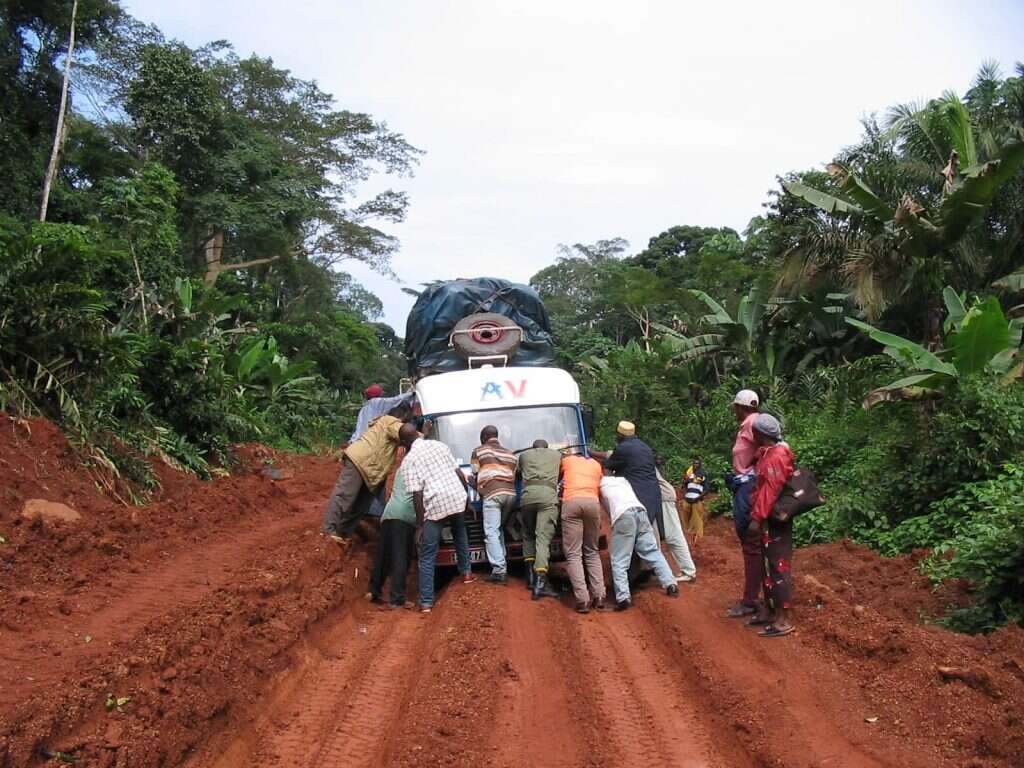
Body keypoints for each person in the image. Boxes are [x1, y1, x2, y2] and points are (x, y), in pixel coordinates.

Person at [399, 424, 477, 613]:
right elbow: (459, 473)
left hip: (435, 504)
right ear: (417, 433)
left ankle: (426, 602)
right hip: (456, 496)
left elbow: (417, 494)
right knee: (460, 533)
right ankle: (467, 573)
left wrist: (420, 526)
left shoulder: (408, 461)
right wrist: (467, 500)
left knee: (427, 554)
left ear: (403, 442)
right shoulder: (439, 445)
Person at [323, 402, 412, 546]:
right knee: (344, 495)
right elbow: (406, 433)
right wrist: (424, 435)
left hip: (370, 469)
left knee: (361, 503)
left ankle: (342, 533)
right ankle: (328, 531)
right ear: (402, 417)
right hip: (360, 461)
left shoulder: (385, 425)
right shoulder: (390, 422)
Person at [600, 467, 679, 611]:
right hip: (640, 512)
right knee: (652, 551)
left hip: (624, 516)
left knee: (619, 559)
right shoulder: (623, 480)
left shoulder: (600, 483)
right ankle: (671, 584)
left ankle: (623, 598)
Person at [745, 414, 796, 637]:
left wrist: (756, 518)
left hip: (775, 519)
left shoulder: (777, 457)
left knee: (778, 566)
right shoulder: (769, 452)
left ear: (761, 434)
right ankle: (769, 610)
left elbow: (770, 490)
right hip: (769, 518)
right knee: (768, 564)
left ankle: (784, 619)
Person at [725, 389, 764, 619]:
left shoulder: (753, 424)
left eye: (736, 407)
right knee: (751, 546)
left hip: (748, 487)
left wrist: (753, 472)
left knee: (751, 544)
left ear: (740, 407)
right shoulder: (750, 423)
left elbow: (767, 448)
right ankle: (753, 597)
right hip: (744, 484)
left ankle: (751, 600)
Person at [367, 444, 415, 610]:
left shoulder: (402, 469)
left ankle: (374, 590)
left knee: (384, 555)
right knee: (402, 556)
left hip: (388, 513)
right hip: (404, 516)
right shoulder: (418, 470)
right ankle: (397, 598)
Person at [559, 451, 608, 613]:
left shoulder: (567, 461)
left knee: (573, 554)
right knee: (592, 551)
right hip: (592, 503)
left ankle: (583, 600)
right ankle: (599, 596)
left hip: (572, 502)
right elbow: (599, 487)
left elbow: (558, 481)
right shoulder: (595, 464)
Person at [470, 426, 518, 584]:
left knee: (491, 531)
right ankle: (502, 561)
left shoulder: (479, 451)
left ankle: (499, 570)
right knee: (498, 528)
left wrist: (475, 485)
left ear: (484, 437)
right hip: (510, 494)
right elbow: (514, 474)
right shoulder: (510, 454)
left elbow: (475, 472)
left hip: (492, 493)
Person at [517, 439, 561, 600]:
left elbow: (518, 473)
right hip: (548, 497)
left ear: (533, 448)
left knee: (528, 535)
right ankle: (540, 583)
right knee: (542, 539)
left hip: (527, 497)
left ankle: (529, 577)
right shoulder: (557, 455)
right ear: (547, 447)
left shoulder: (524, 456)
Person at [597, 421, 662, 531]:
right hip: (652, 496)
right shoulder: (645, 447)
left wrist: (611, 490)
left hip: (635, 497)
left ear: (620, 435)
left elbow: (608, 466)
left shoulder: (623, 448)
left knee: (631, 533)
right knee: (645, 532)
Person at [654, 457, 697, 583]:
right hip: (662, 497)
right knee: (671, 535)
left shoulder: (641, 461)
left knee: (673, 535)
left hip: (664, 498)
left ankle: (689, 572)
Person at [350, 386, 414, 442]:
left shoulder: (364, 407)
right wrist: (411, 393)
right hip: (369, 438)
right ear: (377, 395)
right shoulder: (377, 402)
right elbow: (395, 400)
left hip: (357, 438)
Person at [679, 459, 708, 540]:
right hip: (687, 499)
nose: (695, 465)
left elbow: (706, 489)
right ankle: (686, 535)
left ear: (700, 465)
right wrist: (684, 495)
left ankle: (699, 537)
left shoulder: (703, 474)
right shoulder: (689, 474)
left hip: (697, 500)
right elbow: (684, 485)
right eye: (694, 463)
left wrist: (698, 498)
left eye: (697, 463)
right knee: (684, 517)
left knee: (697, 518)